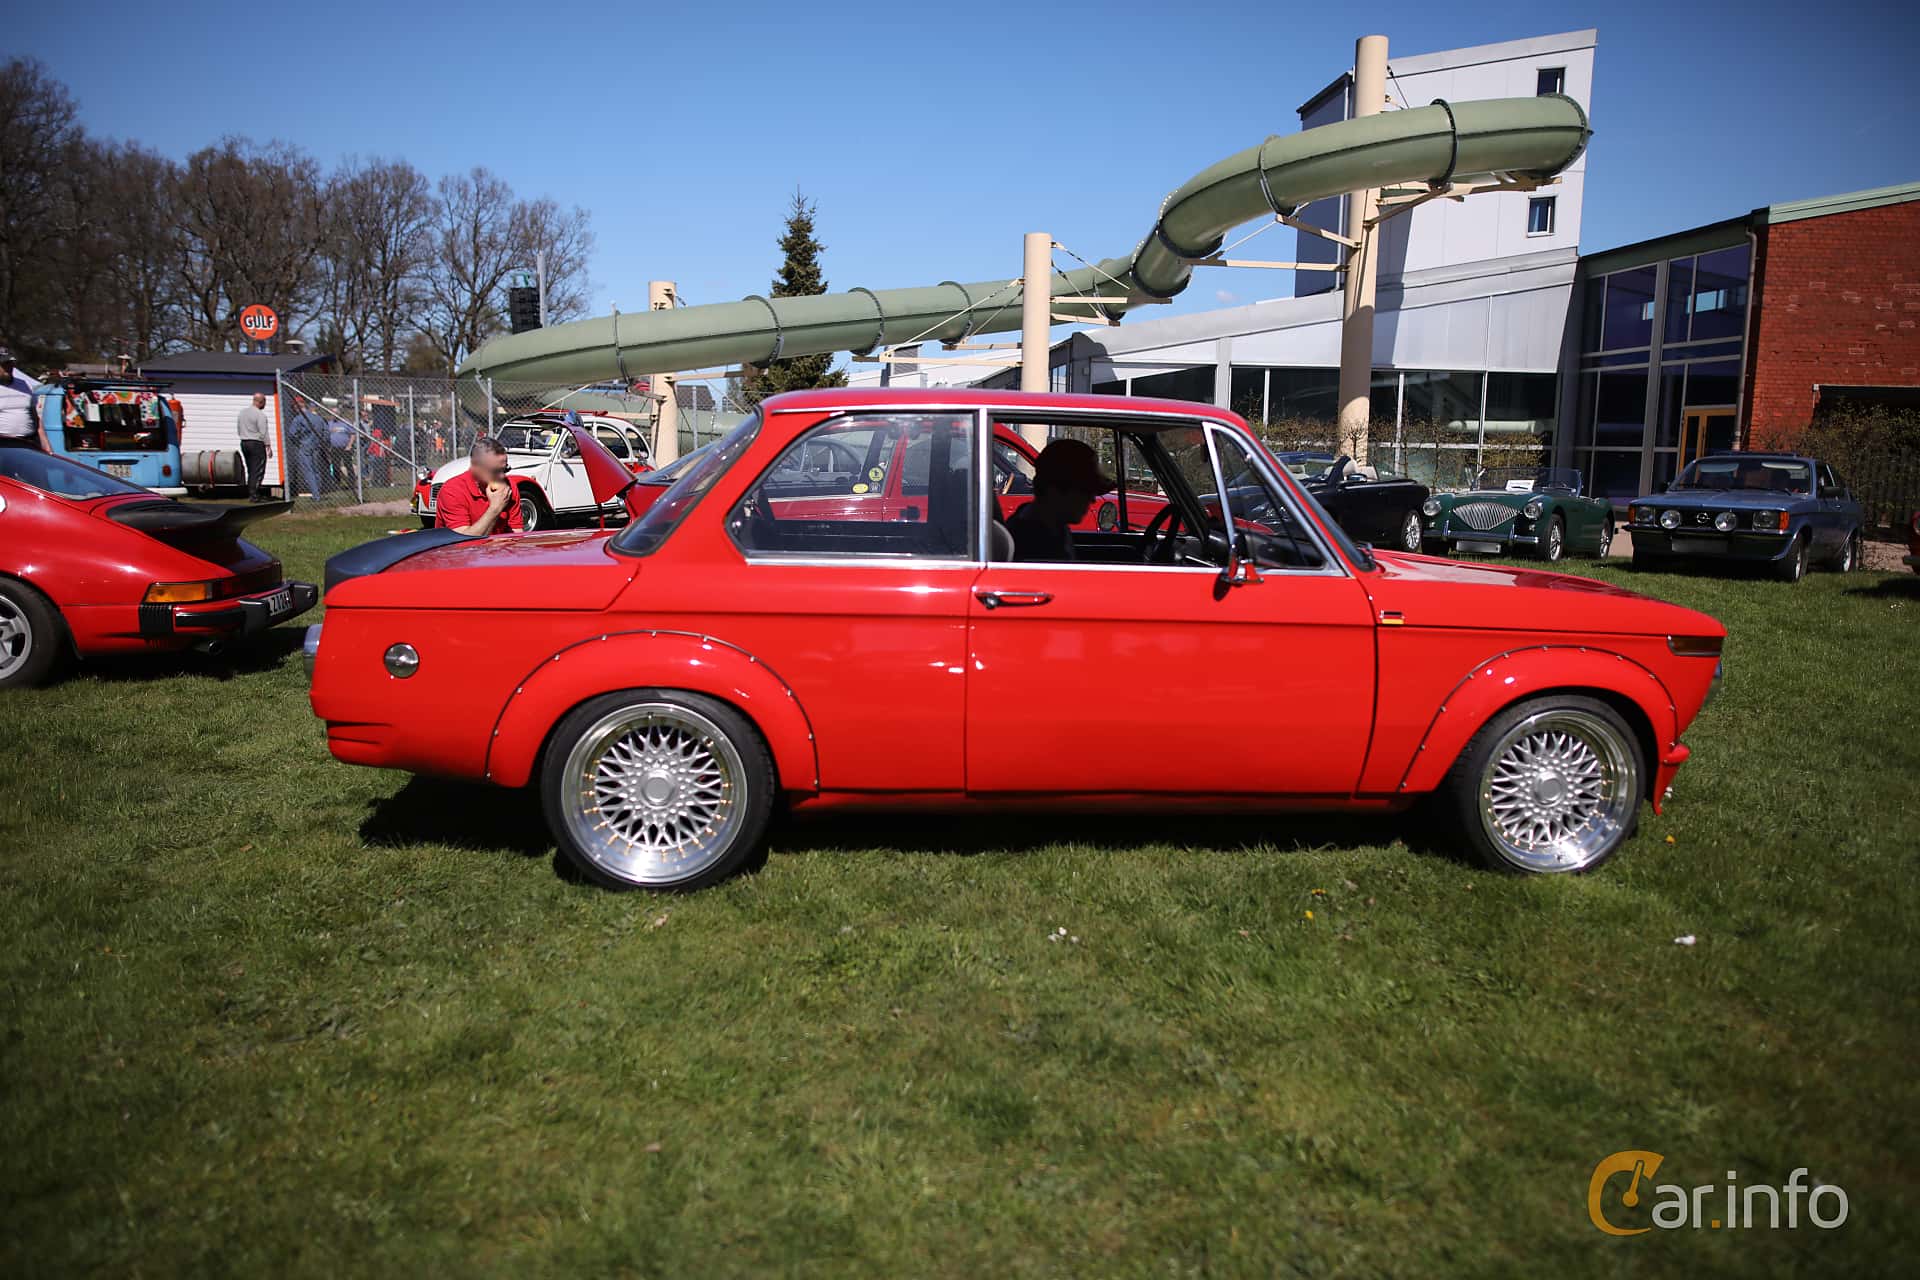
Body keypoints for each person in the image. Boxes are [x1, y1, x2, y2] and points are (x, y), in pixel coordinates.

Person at [1006, 438, 1114, 562]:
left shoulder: (1053, 526)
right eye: (1085, 491)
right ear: (1055, 490)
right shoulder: (1036, 547)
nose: (1093, 499)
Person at [434, 436, 523, 536]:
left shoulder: (509, 487)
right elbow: (462, 542)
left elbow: (516, 535)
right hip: (458, 551)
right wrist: (495, 508)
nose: (502, 475)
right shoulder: (452, 491)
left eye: (505, 469)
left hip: (498, 550)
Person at [0, 347, 49, 451]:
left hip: (29, 442)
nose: (8, 367)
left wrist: (47, 447)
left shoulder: (24, 384)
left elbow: (36, 418)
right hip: (3, 444)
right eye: (4, 364)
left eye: (10, 363)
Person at [285, 401, 330, 500]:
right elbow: (326, 432)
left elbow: (292, 434)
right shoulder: (319, 418)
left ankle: (316, 495)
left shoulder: (298, 419)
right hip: (317, 446)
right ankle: (318, 491)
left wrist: (298, 441)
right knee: (316, 470)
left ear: (297, 408)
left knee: (308, 470)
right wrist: (322, 442)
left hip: (305, 445)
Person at [236, 392, 273, 500]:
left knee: (250, 468)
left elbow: (238, 428)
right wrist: (268, 445)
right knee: (258, 469)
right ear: (261, 402)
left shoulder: (242, 413)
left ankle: (251, 491)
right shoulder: (260, 415)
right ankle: (254, 494)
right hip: (256, 443)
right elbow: (263, 431)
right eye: (264, 402)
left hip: (244, 442)